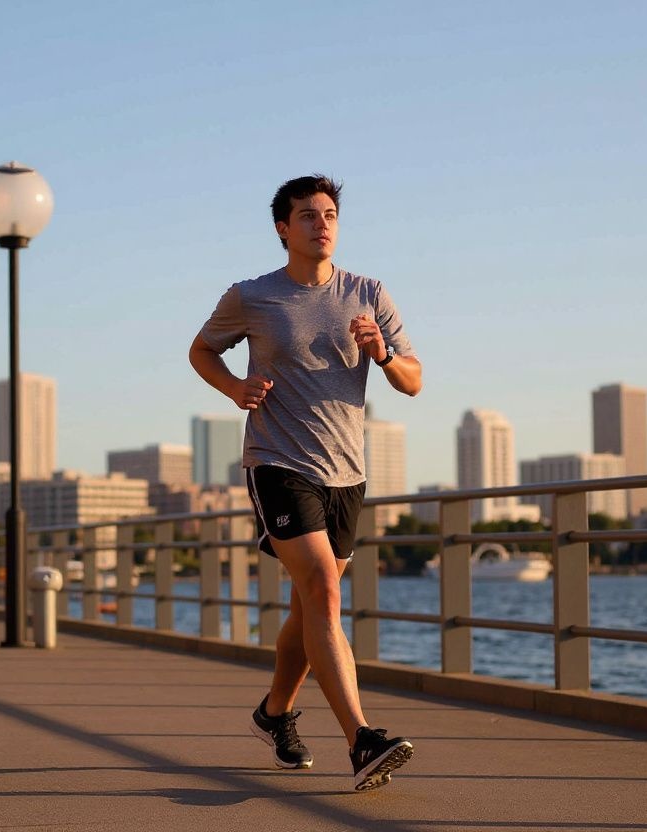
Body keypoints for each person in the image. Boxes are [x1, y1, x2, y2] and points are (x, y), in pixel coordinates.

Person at [189, 174, 423, 792]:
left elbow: (414, 380)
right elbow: (201, 351)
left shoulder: (368, 293)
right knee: (322, 588)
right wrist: (235, 389)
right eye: (308, 216)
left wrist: (383, 354)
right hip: (277, 461)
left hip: (346, 473)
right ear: (282, 229)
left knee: (307, 604)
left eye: (330, 215)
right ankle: (362, 739)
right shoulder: (252, 296)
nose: (322, 224)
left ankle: (274, 714)